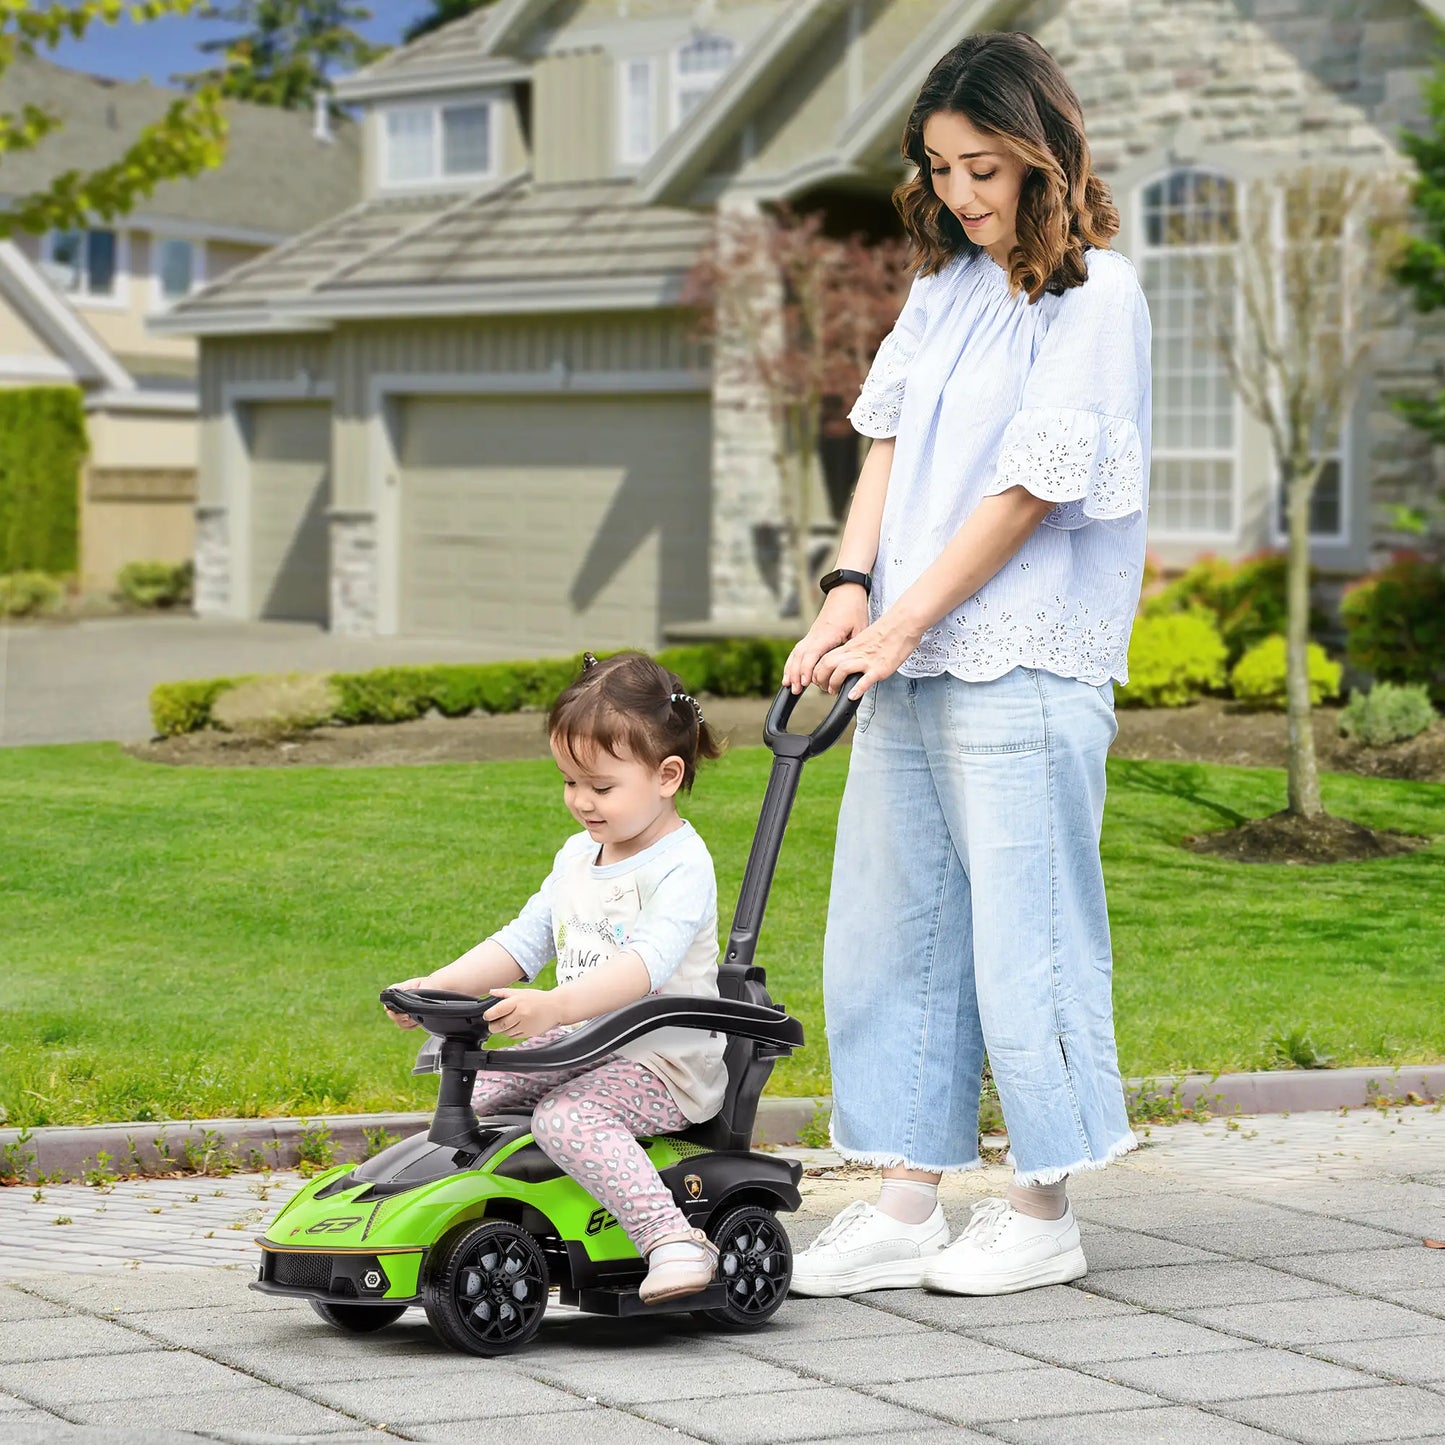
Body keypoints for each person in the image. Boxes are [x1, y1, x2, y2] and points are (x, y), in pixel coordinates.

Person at [784, 31, 1151, 1298]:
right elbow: (881, 448)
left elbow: (1026, 493)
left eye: (984, 167)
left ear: (1045, 155)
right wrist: (845, 593)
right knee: (894, 932)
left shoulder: (1093, 299)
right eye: (939, 168)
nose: (960, 194)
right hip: (909, 660)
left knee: (1025, 936)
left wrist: (897, 623)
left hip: (1023, 663)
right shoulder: (940, 290)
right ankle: (903, 1201)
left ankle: (1043, 1204)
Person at [385, 651, 728, 1304]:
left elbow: (643, 967)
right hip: (581, 1046)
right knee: (478, 1085)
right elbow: (520, 942)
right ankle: (517, 1216)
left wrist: (555, 1006)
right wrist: (441, 984)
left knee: (567, 1116)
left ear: (666, 774)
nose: (580, 801)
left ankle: (670, 1237)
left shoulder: (681, 865)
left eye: (599, 786)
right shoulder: (577, 855)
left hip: (660, 1064)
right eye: (569, 781)